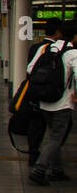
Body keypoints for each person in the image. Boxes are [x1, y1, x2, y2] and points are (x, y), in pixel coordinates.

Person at [26, 20, 77, 185]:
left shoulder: (46, 48)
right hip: (62, 102)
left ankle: (56, 170)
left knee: (53, 134)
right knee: (57, 137)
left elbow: (30, 69)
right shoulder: (72, 53)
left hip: (44, 101)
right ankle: (39, 169)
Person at [26, 20, 63, 165]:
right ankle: (47, 160)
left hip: (34, 92)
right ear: (58, 32)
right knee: (57, 130)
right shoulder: (53, 48)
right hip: (49, 93)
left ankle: (34, 155)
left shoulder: (34, 47)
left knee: (36, 125)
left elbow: (29, 70)